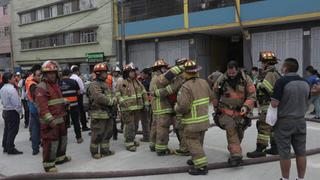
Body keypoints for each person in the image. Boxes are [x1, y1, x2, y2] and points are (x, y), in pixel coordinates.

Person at [271, 58, 310, 180]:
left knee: (284, 153)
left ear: (286, 69)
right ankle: (301, 178)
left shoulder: (281, 81)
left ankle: (285, 178)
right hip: (301, 121)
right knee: (301, 152)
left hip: (285, 122)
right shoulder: (305, 82)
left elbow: (274, 104)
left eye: (282, 66)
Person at [213, 61, 256, 167]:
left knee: (239, 132)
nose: (231, 75)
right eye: (229, 72)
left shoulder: (246, 79)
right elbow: (215, 93)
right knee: (231, 129)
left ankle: (234, 148)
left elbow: (252, 95)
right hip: (225, 111)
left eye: (233, 73)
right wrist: (216, 107)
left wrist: (246, 106)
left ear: (237, 70)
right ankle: (236, 155)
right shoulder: (222, 79)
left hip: (241, 112)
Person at [175, 60, 213, 175]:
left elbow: (183, 106)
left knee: (193, 142)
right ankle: (195, 159)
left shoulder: (185, 87)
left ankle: (201, 167)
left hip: (192, 122)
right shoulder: (204, 82)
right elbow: (211, 98)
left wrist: (176, 107)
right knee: (199, 141)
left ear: (185, 73)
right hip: (204, 120)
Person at [35, 61, 71, 172]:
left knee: (62, 139)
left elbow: (55, 100)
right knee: (50, 142)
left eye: (54, 73)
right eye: (49, 73)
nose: (52, 75)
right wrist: (50, 120)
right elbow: (42, 107)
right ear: (44, 74)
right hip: (51, 122)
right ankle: (48, 164)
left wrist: (64, 102)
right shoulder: (42, 87)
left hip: (60, 119)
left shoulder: (55, 85)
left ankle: (60, 158)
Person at [247, 51, 281, 158]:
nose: (261, 65)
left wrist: (257, 85)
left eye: (262, 63)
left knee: (263, 127)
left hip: (268, 106)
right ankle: (275, 148)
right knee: (273, 128)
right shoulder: (276, 73)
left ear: (266, 63)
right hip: (274, 106)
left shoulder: (270, 74)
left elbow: (266, 88)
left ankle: (260, 149)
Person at [149, 59, 185, 155]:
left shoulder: (154, 78)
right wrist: (180, 77)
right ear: (159, 69)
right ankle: (161, 149)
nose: (166, 70)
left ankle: (153, 145)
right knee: (163, 129)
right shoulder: (159, 79)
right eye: (164, 68)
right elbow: (170, 89)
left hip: (158, 108)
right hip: (162, 107)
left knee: (155, 127)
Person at [115, 63, 149, 152]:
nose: (134, 73)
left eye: (134, 71)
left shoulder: (137, 82)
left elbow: (144, 92)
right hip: (127, 109)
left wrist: (146, 103)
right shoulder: (121, 82)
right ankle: (129, 143)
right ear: (127, 72)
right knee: (129, 126)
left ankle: (132, 139)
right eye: (131, 71)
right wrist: (122, 102)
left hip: (137, 108)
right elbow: (117, 94)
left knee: (136, 126)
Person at [87, 63, 115, 159]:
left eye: (106, 72)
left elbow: (111, 94)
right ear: (98, 73)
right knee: (97, 134)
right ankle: (94, 152)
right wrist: (111, 101)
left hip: (108, 113)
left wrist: (114, 100)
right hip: (98, 113)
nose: (106, 74)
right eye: (104, 72)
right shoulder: (94, 84)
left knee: (108, 133)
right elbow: (98, 97)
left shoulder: (105, 84)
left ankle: (105, 151)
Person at [0, 72, 23, 155]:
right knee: (13, 131)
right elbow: (16, 104)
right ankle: (10, 148)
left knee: (7, 130)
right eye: (13, 78)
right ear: (9, 80)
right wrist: (20, 112)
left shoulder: (2, 88)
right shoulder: (12, 89)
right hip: (12, 112)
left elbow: (2, 101)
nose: (15, 79)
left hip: (5, 111)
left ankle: (5, 146)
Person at [59, 69, 83, 144]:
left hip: (64, 106)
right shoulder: (74, 81)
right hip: (74, 105)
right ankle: (79, 138)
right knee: (76, 122)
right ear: (69, 74)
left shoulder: (59, 83)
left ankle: (64, 139)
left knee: (65, 123)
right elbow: (79, 92)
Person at [26, 64, 42, 155]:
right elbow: (36, 96)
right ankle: (39, 145)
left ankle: (35, 148)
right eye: (39, 73)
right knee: (40, 127)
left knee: (35, 127)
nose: (40, 75)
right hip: (36, 107)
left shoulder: (29, 79)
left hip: (32, 106)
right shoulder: (33, 83)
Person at [70, 65, 90, 131]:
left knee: (74, 111)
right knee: (82, 111)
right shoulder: (78, 79)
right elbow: (82, 89)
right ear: (77, 71)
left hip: (71, 97)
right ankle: (84, 126)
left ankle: (75, 123)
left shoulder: (70, 78)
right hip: (79, 96)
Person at [139, 67, 152, 142]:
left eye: (143, 73)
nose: (142, 75)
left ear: (146, 74)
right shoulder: (152, 80)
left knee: (145, 121)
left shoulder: (144, 83)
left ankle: (146, 137)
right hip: (152, 104)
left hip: (146, 104)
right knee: (150, 120)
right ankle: (151, 135)